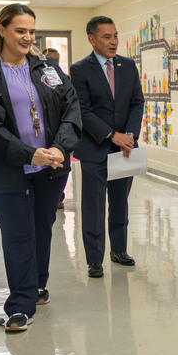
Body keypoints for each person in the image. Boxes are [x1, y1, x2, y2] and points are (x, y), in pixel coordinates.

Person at [0, 4, 81, 332]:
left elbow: (71, 108)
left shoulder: (47, 68)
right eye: (20, 30)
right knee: (18, 235)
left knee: (42, 228)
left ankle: (38, 284)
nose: (28, 37)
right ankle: (20, 305)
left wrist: (59, 147)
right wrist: (30, 155)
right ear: (2, 30)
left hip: (51, 168)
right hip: (6, 169)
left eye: (32, 31)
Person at [70, 15, 145, 276]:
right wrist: (112, 135)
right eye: (106, 37)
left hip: (125, 148)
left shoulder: (128, 65)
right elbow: (83, 110)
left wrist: (129, 135)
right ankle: (94, 259)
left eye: (115, 36)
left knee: (120, 203)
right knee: (94, 206)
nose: (113, 42)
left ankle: (119, 250)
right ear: (92, 39)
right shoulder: (80, 69)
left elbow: (137, 102)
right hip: (95, 149)